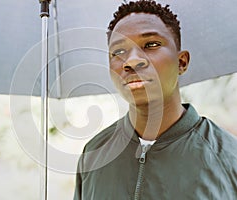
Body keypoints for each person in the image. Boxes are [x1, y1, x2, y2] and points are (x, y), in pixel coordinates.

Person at [73, 0, 237, 199]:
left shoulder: (228, 158)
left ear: (181, 62)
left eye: (151, 45)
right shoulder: (94, 155)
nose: (131, 61)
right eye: (118, 52)